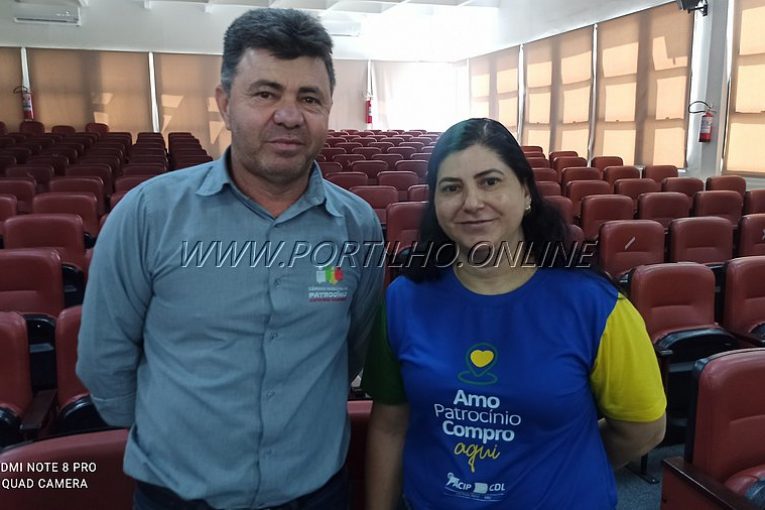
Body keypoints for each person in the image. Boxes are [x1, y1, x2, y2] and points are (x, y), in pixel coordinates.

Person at [76, 8, 384, 510]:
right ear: (224, 102)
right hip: (176, 496)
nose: (289, 115)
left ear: (328, 108)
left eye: (309, 98)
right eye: (265, 94)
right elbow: (104, 356)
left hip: (316, 493)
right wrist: (173, 435)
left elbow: (354, 347)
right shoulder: (148, 214)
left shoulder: (357, 225)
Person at [362, 118, 666, 509]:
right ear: (435, 203)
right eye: (451, 187)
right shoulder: (403, 300)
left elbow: (642, 429)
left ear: (525, 193)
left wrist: (564, 462)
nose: (472, 202)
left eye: (490, 182)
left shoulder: (597, 306)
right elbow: (390, 426)